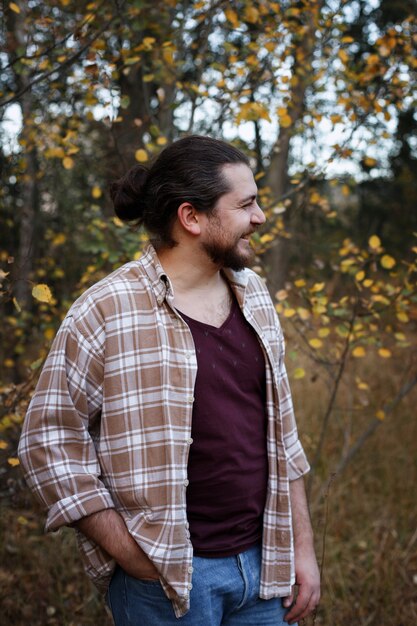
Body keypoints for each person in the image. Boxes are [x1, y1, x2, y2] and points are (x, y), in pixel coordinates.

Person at [18, 136, 320, 626]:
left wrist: (300, 548)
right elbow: (47, 438)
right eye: (246, 204)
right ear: (192, 217)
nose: (260, 216)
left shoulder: (256, 295)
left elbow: (282, 434)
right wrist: (133, 554)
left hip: (266, 571)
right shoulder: (106, 309)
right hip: (168, 583)